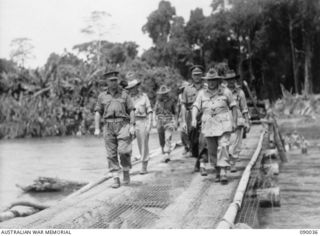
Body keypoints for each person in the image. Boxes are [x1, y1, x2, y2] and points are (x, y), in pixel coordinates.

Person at [191, 68, 237, 184]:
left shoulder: (226, 91)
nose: (211, 82)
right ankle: (217, 170)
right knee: (212, 150)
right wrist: (193, 119)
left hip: (223, 123)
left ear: (218, 81)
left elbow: (233, 106)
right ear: (207, 81)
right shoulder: (202, 93)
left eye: (214, 80)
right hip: (209, 125)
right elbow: (196, 106)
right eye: (209, 80)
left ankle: (223, 172)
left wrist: (235, 121)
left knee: (223, 146)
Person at [94, 71, 135, 188]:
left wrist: (132, 125)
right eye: (111, 80)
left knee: (124, 151)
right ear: (106, 82)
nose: (114, 82)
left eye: (115, 80)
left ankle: (126, 171)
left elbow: (131, 109)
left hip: (123, 125)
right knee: (111, 154)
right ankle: (115, 178)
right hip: (108, 126)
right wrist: (97, 128)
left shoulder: (125, 94)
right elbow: (97, 112)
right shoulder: (102, 96)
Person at [223, 70, 250, 173]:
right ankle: (226, 162)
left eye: (232, 79)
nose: (230, 82)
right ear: (226, 81)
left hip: (237, 119)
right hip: (224, 118)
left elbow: (244, 108)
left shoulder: (240, 92)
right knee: (226, 141)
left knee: (236, 142)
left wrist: (247, 121)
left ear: (235, 80)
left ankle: (233, 163)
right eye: (229, 80)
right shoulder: (222, 92)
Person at [126, 79, 153, 174]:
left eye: (134, 87)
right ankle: (126, 165)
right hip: (130, 123)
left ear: (137, 87)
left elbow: (149, 110)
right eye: (130, 88)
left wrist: (150, 123)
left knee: (143, 144)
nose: (132, 89)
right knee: (125, 143)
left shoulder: (144, 97)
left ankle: (144, 166)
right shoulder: (127, 98)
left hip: (142, 121)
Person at [181, 65, 205, 172]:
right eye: (195, 75)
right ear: (191, 76)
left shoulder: (206, 88)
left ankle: (201, 162)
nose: (197, 76)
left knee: (203, 139)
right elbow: (183, 105)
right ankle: (198, 158)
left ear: (202, 75)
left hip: (204, 115)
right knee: (193, 141)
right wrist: (183, 121)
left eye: (199, 74)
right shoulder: (187, 89)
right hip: (191, 116)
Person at [154, 85, 178, 163]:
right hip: (160, 121)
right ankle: (163, 151)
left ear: (167, 93)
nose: (164, 94)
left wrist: (176, 122)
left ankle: (167, 153)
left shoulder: (172, 101)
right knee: (161, 138)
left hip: (169, 120)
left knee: (168, 137)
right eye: (162, 93)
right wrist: (155, 120)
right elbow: (155, 111)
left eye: (165, 93)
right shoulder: (158, 101)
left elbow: (175, 112)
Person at [177, 81, 191, 157]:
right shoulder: (180, 96)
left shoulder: (191, 95)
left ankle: (190, 148)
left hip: (189, 115)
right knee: (182, 133)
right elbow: (178, 107)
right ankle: (186, 147)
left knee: (190, 132)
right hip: (182, 116)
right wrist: (177, 119)